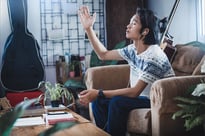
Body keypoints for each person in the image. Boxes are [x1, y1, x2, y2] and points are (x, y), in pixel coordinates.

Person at [78, 6, 175, 136]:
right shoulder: (132, 50)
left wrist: (99, 92)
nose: (128, 26)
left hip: (159, 101)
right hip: (142, 98)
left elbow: (135, 92)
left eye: (134, 23)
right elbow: (103, 54)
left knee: (117, 102)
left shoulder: (154, 56)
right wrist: (88, 29)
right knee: (98, 101)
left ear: (145, 31)